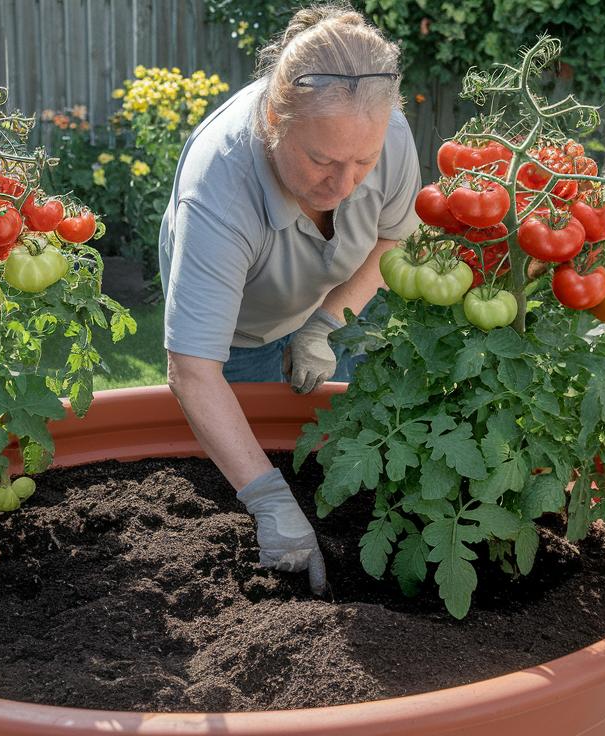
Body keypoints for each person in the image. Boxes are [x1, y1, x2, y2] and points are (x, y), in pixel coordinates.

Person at [157, 3, 422, 595]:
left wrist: (328, 322)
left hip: (335, 305)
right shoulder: (219, 191)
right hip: (238, 334)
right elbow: (193, 371)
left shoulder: (387, 134)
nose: (346, 184)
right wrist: (269, 498)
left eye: (365, 162)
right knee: (236, 477)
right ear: (277, 116)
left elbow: (394, 240)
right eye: (322, 160)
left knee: (337, 459)